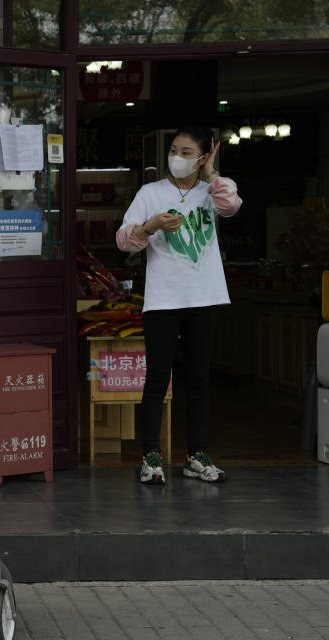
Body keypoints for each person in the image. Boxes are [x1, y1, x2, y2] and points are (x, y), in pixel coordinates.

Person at [115, 126, 242, 485]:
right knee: (157, 377)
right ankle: (151, 455)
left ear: (202, 158)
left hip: (203, 296)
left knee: (199, 378)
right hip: (164, 299)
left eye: (187, 152)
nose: (177, 157)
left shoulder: (210, 192)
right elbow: (123, 240)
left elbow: (232, 206)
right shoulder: (150, 193)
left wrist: (211, 173)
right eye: (174, 150)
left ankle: (196, 455)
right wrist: (150, 226)